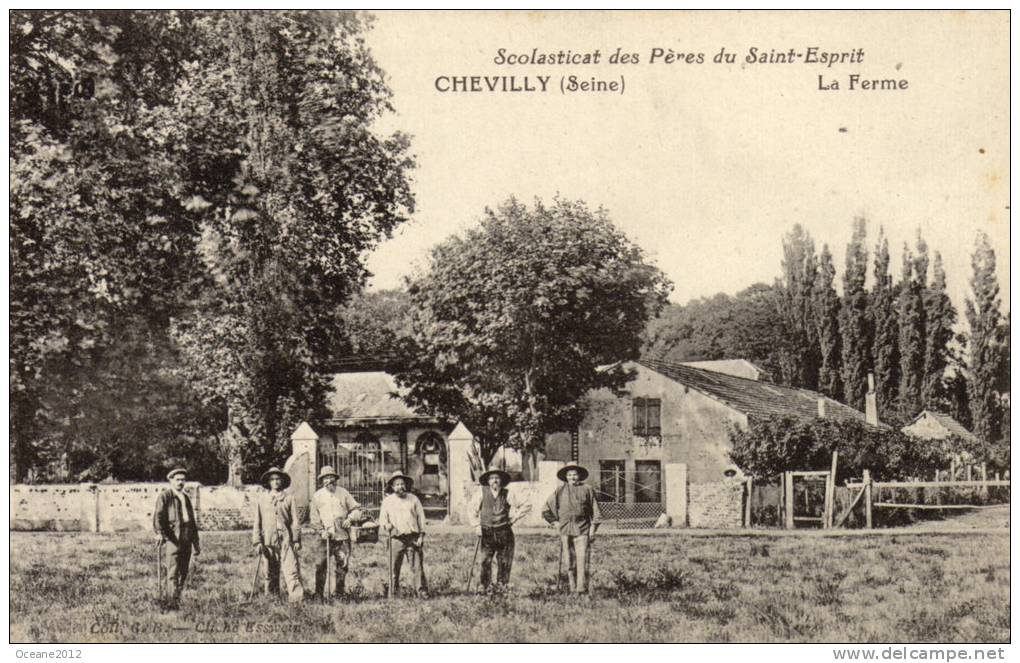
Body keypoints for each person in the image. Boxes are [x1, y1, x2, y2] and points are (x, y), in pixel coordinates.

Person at [541, 463, 602, 594]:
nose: (572, 477)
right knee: (569, 561)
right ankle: (572, 587)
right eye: (569, 475)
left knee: (582, 560)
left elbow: (596, 511)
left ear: (579, 476)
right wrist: (555, 522)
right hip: (565, 530)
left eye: (575, 474)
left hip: (582, 529)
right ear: (566, 477)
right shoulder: (560, 491)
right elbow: (546, 509)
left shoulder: (587, 489)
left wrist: (593, 530)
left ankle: (581, 589)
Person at [467, 468, 528, 592]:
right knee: (485, 560)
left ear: (501, 480)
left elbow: (526, 505)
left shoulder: (508, 493)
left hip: (504, 531)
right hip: (487, 531)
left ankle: (502, 585)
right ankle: (484, 586)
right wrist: (476, 526)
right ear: (488, 481)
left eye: (497, 478)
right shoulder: (481, 492)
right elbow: (471, 509)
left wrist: (514, 519)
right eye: (491, 478)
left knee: (504, 560)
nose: (494, 480)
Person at [308, 465, 363, 599]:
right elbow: (314, 518)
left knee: (342, 565)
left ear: (335, 479)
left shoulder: (343, 493)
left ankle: (339, 594)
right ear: (322, 481)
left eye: (331, 477)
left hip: (342, 536)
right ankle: (319, 594)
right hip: (324, 537)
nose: (329, 481)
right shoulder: (317, 496)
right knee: (320, 565)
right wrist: (321, 531)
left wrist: (350, 519)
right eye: (325, 478)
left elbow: (357, 510)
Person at [251, 467, 305, 602]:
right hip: (268, 540)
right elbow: (257, 522)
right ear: (269, 482)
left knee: (291, 570)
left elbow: (295, 521)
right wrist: (257, 542)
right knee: (269, 572)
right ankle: (272, 599)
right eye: (272, 479)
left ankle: (296, 599)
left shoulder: (289, 498)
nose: (275, 482)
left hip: (286, 540)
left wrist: (296, 539)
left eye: (278, 479)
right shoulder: (262, 499)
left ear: (282, 481)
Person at [153, 467, 201, 608]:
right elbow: (159, 516)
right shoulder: (165, 496)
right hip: (173, 537)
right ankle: (171, 602)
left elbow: (192, 522)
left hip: (187, 536)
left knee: (184, 571)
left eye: (182, 480)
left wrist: (196, 543)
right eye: (177, 480)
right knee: (173, 571)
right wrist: (159, 533)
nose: (180, 482)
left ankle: (177, 598)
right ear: (171, 481)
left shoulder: (185, 497)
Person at [378, 471, 427, 596]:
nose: (400, 487)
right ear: (393, 487)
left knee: (417, 567)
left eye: (402, 484)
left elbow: (421, 518)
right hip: (396, 538)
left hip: (413, 537)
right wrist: (386, 525)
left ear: (406, 485)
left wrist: (421, 535)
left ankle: (421, 592)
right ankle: (393, 593)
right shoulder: (388, 501)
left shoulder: (413, 499)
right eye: (397, 484)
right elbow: (382, 519)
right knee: (393, 567)